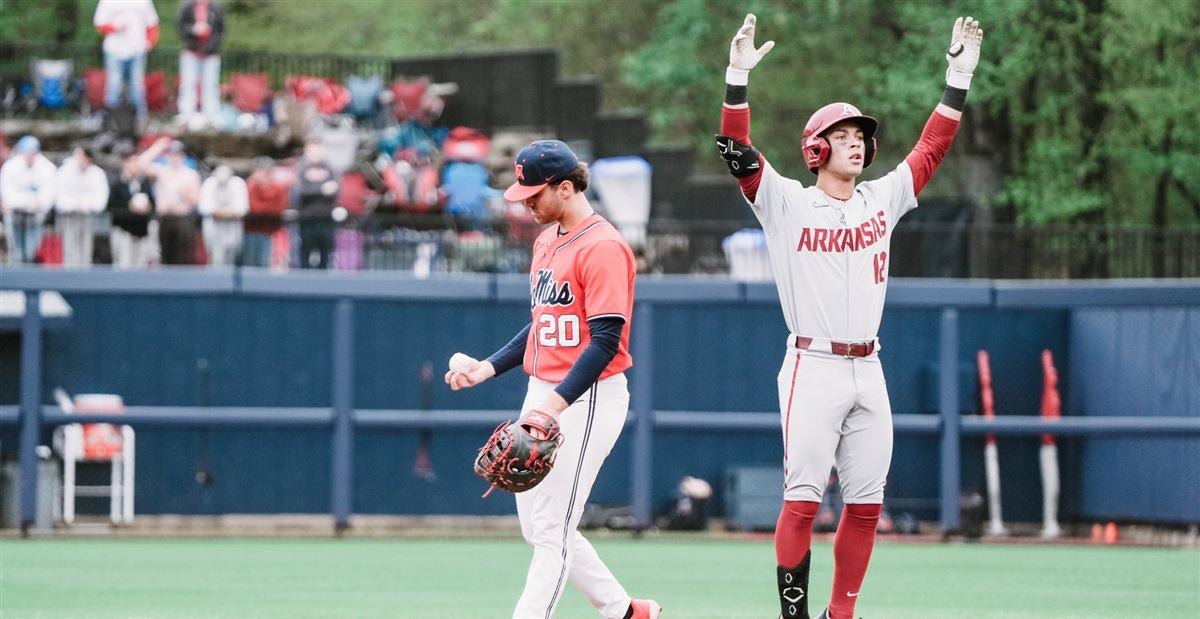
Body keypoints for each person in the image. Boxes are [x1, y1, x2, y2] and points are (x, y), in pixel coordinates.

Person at [714, 14, 983, 619]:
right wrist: (737, 78)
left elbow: (932, 148)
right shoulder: (786, 202)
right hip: (812, 364)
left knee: (866, 507)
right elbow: (738, 153)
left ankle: (842, 615)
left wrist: (957, 77)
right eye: (843, 134)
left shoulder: (881, 197)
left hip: (870, 367)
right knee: (803, 502)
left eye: (861, 133)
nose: (856, 141)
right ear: (816, 148)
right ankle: (794, 616)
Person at [444, 140, 660, 619]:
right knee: (540, 525)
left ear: (566, 188)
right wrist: (489, 366)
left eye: (534, 194)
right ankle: (626, 611)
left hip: (587, 395)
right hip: (545, 390)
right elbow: (545, 320)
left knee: (552, 531)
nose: (526, 203)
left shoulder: (604, 246)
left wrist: (554, 407)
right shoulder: (546, 239)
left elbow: (604, 342)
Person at [93, 0, 160, 123]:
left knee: (137, 84)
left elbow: (152, 24)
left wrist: (150, 42)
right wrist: (114, 27)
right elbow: (99, 23)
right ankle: (110, 117)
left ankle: (140, 117)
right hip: (114, 49)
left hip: (137, 48)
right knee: (114, 82)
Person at [138, 138, 201, 265]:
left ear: (183, 156)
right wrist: (158, 147)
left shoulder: (191, 174)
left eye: (178, 154)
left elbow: (196, 200)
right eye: (171, 154)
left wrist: (184, 195)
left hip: (183, 219)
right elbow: (141, 164)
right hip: (165, 218)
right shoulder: (162, 171)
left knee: (183, 256)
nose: (175, 157)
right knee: (166, 255)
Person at [0, 136, 56, 264]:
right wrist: (23, 201)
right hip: (15, 214)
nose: (30, 156)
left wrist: (37, 203)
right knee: (16, 250)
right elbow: (6, 192)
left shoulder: (47, 167)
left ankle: (29, 273)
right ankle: (16, 275)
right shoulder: (11, 167)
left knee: (31, 249)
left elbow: (48, 193)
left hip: (35, 215)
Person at [54, 146, 111, 268]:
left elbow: (101, 197)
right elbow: (59, 195)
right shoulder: (64, 172)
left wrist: (88, 206)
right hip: (68, 217)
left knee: (86, 248)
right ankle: (69, 274)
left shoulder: (97, 173)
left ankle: (85, 273)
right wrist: (73, 205)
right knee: (69, 246)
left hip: (89, 217)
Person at [292, 136, 340, 269]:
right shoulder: (302, 168)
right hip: (307, 218)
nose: (315, 153)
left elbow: (336, 190)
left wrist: (316, 190)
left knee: (325, 253)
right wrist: (322, 189)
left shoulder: (330, 168)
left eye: (318, 150)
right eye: (312, 150)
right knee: (305, 253)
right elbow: (300, 191)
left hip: (325, 218)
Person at [175, 0, 226, 126]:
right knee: (188, 84)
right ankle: (186, 114)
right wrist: (193, 29)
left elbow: (221, 30)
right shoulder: (187, 5)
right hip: (191, 51)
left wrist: (212, 46)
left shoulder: (216, 7)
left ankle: (212, 115)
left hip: (211, 53)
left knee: (211, 85)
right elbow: (179, 25)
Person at [107, 149, 158, 268]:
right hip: (123, 230)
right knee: (124, 263)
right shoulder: (117, 183)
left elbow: (153, 204)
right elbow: (110, 206)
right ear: (125, 163)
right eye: (132, 161)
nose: (135, 165)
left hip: (142, 230)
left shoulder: (144, 182)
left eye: (137, 162)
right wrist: (129, 207)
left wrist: (148, 207)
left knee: (141, 264)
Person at [198, 164, 248, 266]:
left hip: (232, 228)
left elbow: (242, 208)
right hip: (214, 228)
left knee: (231, 257)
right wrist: (219, 212)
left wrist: (228, 213)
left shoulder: (238, 184)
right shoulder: (209, 183)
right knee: (215, 258)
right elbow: (204, 207)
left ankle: (229, 281)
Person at [243, 157, 288, 267]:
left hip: (270, 230)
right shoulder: (249, 186)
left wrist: (266, 208)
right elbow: (253, 207)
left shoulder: (277, 187)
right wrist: (269, 206)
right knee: (250, 262)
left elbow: (280, 206)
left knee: (264, 262)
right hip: (251, 230)